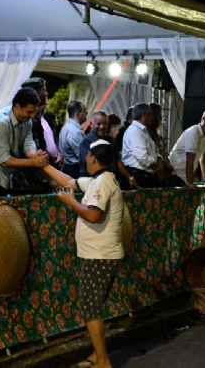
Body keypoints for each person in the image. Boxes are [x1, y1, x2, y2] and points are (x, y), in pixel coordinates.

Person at [41, 139, 123, 368]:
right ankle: (98, 356)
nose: (85, 159)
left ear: (93, 159)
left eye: (87, 155)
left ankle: (103, 362)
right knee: (92, 307)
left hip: (100, 255)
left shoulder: (103, 182)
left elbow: (93, 215)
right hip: (99, 254)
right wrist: (43, 165)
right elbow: (68, 181)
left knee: (90, 309)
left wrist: (70, 202)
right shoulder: (100, 179)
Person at [0, 87, 49, 197]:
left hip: (9, 178)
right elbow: (4, 161)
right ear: (17, 106)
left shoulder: (27, 121)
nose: (32, 115)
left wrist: (37, 156)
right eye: (29, 112)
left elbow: (28, 145)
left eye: (34, 112)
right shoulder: (1, 123)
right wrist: (34, 162)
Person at [79, 110, 137, 190]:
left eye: (104, 124)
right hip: (92, 186)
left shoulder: (109, 138)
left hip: (109, 183)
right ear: (91, 125)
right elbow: (92, 168)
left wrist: (130, 178)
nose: (102, 127)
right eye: (98, 124)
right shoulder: (86, 142)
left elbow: (117, 161)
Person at [166, 109, 205, 191]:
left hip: (183, 178)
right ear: (202, 119)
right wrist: (190, 182)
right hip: (174, 175)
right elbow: (190, 159)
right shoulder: (193, 133)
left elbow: (204, 159)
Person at [121, 103, 162, 188]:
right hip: (138, 176)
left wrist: (159, 159)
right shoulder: (135, 131)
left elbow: (155, 151)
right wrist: (157, 169)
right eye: (150, 114)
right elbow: (143, 157)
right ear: (144, 115)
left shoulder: (143, 130)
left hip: (145, 175)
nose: (152, 117)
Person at [59, 100, 87, 179]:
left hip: (68, 169)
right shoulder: (75, 131)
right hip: (75, 172)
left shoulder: (65, 128)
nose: (86, 113)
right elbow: (82, 156)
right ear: (77, 114)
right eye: (85, 110)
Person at [148, 102, 174, 185]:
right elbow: (156, 155)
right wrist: (169, 166)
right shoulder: (149, 134)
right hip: (156, 172)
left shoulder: (156, 135)